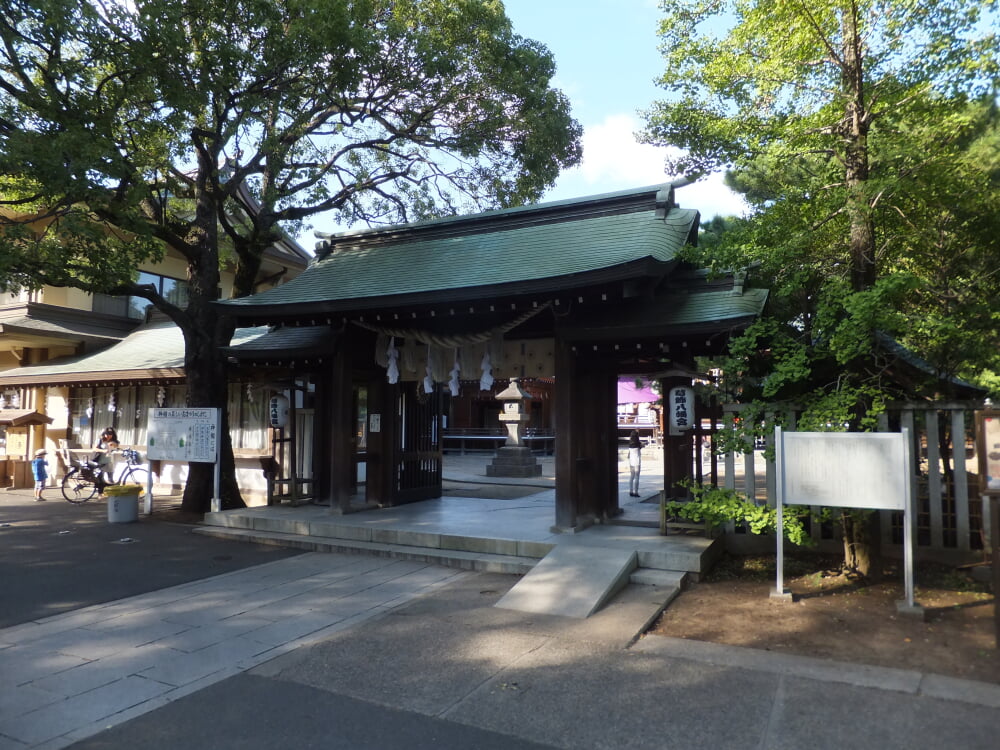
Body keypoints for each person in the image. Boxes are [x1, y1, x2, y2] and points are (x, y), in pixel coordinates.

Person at [627, 429, 642, 498]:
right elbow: (642, 446)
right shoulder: (638, 444)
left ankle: (631, 491)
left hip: (631, 461)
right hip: (637, 461)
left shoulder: (630, 444)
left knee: (631, 476)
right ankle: (636, 492)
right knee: (637, 477)